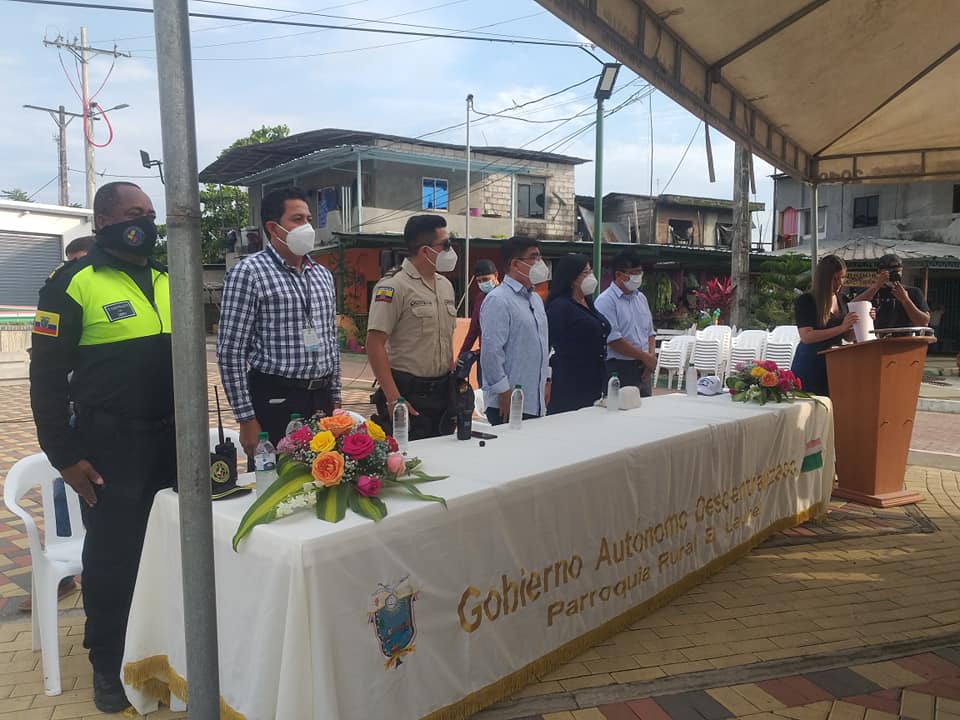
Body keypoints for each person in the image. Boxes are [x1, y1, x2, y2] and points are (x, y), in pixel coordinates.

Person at [30, 181, 173, 713]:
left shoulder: (168, 279)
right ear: (105, 220)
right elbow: (45, 380)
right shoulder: (71, 283)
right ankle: (109, 666)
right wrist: (64, 456)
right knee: (114, 560)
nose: (146, 223)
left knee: (171, 551)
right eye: (135, 212)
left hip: (172, 444)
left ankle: (168, 651)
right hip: (111, 448)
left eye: (151, 213)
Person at [218, 187, 341, 461]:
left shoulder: (322, 275)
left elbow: (331, 341)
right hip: (276, 399)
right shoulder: (248, 273)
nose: (307, 227)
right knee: (276, 478)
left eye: (309, 219)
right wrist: (246, 419)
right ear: (273, 228)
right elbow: (230, 353)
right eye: (297, 219)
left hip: (321, 399)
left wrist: (336, 397)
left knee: (325, 474)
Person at [20, 236, 95, 613]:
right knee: (64, 489)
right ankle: (67, 572)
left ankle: (90, 567)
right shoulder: (59, 293)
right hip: (66, 414)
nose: (74, 269)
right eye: (71, 261)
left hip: (97, 412)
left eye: (81, 260)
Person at [366, 215, 458, 440]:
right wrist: (393, 399)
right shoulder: (393, 286)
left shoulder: (445, 286)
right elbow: (374, 343)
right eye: (445, 244)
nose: (451, 250)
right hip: (407, 395)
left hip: (442, 395)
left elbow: (446, 337)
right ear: (425, 250)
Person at [479, 237, 551, 424]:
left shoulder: (535, 299)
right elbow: (491, 352)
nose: (540, 263)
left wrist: (547, 379)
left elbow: (543, 344)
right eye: (533, 257)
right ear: (515, 264)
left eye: (540, 257)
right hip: (508, 402)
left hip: (534, 399)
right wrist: (503, 391)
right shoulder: (498, 299)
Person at [545, 254, 610, 414]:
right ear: (572, 278)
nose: (591, 277)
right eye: (585, 273)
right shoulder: (560, 306)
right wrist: (547, 379)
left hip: (595, 377)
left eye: (591, 271)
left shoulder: (588, 302)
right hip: (570, 379)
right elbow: (547, 342)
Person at [790, 254, 858, 396]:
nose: (840, 283)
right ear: (824, 279)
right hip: (811, 363)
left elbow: (848, 336)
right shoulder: (807, 300)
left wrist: (861, 321)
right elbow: (806, 336)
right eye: (835, 279)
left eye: (842, 278)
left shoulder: (842, 299)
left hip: (835, 363)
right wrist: (841, 328)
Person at [594, 251, 657, 396]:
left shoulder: (641, 298)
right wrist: (644, 357)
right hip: (620, 367)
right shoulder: (606, 301)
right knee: (621, 407)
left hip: (644, 366)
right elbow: (614, 340)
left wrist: (650, 357)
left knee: (646, 407)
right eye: (633, 273)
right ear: (618, 275)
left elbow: (650, 333)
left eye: (640, 272)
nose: (638, 277)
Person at [852, 253, 930, 329]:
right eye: (889, 272)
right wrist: (877, 285)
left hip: (904, 336)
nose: (893, 275)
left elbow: (924, 322)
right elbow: (852, 307)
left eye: (897, 272)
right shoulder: (869, 292)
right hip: (876, 336)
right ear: (879, 271)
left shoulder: (913, 292)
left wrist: (905, 300)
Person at [458, 258, 499, 384]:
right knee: (484, 392)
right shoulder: (480, 298)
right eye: (479, 281)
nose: (482, 284)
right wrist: (461, 355)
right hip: (484, 357)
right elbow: (473, 330)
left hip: (504, 357)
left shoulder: (505, 297)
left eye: (485, 279)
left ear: (496, 275)